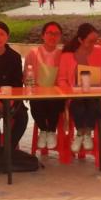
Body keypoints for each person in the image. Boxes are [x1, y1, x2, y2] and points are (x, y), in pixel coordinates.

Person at [56, 23, 101, 154]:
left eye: (95, 41)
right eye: (90, 41)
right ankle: (81, 133)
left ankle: (85, 133)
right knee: (78, 103)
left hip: (95, 95)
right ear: (80, 40)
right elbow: (61, 79)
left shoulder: (99, 51)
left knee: (93, 102)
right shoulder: (67, 55)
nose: (93, 44)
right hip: (75, 96)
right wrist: (70, 91)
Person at [0, 21, 26, 149]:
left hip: (10, 98)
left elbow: (17, 83)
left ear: (7, 37)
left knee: (22, 117)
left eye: (2, 34)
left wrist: (12, 100)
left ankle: (9, 149)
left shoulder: (15, 57)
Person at [26, 21, 63, 151]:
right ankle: (43, 130)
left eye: (56, 34)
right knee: (35, 101)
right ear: (43, 35)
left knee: (55, 100)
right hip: (38, 93)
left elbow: (66, 77)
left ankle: (51, 131)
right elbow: (26, 76)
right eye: (49, 33)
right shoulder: (33, 53)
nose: (53, 36)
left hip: (56, 94)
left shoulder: (63, 55)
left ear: (60, 37)